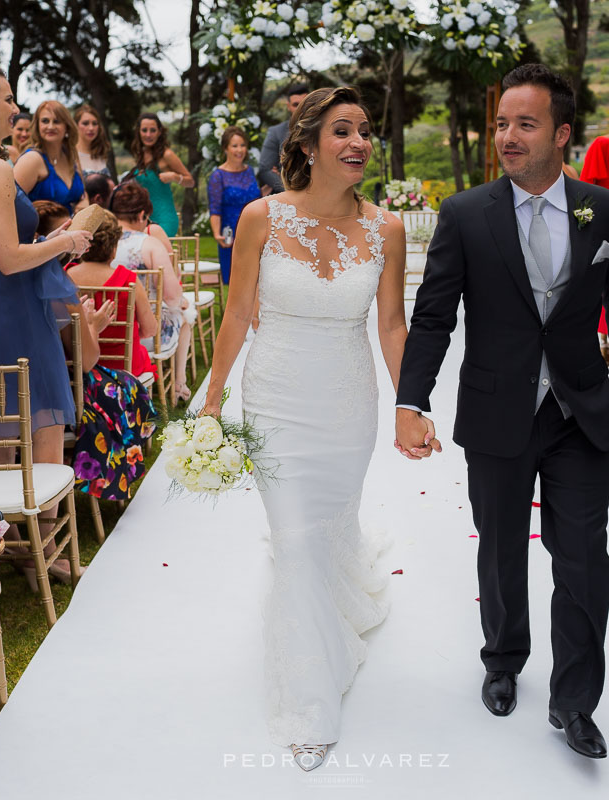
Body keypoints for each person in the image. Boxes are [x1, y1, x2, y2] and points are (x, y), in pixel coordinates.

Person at [396, 63, 609, 761]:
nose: (508, 136)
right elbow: (434, 317)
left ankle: (574, 703)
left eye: (525, 123)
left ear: (562, 134)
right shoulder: (466, 214)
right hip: (497, 409)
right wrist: (412, 400)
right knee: (502, 545)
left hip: (579, 412)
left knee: (584, 559)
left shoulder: (608, 209)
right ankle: (503, 661)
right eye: (502, 123)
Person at [201, 86, 406, 770]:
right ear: (309, 144)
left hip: (349, 406)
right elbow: (235, 316)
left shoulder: (388, 230)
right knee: (294, 538)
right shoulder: (261, 218)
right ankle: (310, 701)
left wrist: (412, 403)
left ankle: (337, 595)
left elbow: (390, 324)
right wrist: (210, 401)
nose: (359, 142)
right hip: (277, 402)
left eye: (366, 131)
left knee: (328, 526)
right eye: (343, 130)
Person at [0, 66, 93, 587]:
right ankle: (42, 555)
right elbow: (8, 257)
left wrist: (57, 237)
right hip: (13, 305)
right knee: (46, 427)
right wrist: (66, 242)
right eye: (7, 99)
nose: (15, 108)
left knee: (1, 434)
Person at [64, 211, 158, 500]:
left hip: (74, 367)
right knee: (146, 360)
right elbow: (150, 329)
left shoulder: (64, 277)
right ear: (114, 247)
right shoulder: (128, 280)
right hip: (123, 368)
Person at [109, 181, 190, 396]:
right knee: (185, 318)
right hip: (145, 333)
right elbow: (172, 299)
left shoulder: (101, 242)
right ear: (142, 214)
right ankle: (179, 384)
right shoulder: (149, 244)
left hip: (106, 330)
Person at [123, 113, 193, 236]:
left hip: (164, 219)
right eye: (144, 130)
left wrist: (174, 177)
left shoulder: (167, 155)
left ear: (160, 132)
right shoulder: (141, 154)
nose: (148, 135)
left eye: (153, 130)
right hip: (144, 219)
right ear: (139, 132)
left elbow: (190, 181)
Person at [207, 126, 261, 284]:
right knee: (236, 282)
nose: (240, 150)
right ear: (225, 149)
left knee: (257, 281)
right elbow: (215, 208)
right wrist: (217, 234)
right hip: (231, 234)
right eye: (235, 146)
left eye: (243, 145)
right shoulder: (218, 176)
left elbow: (256, 197)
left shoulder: (249, 171)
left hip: (254, 232)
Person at [15, 100, 85, 215]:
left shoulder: (71, 156)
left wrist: (84, 201)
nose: (50, 126)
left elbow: (83, 193)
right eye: (45, 121)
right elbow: (10, 204)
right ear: (37, 126)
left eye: (57, 121)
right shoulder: (31, 160)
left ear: (67, 127)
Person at [257, 83, 310, 195]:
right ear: (288, 106)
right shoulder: (276, 132)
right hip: (287, 197)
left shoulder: (323, 130)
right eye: (296, 104)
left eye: (304, 104)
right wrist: (293, 192)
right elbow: (265, 170)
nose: (300, 109)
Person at [74, 104, 113, 178]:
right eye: (85, 123)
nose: (91, 128)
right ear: (76, 125)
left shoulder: (100, 153)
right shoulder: (70, 154)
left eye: (95, 123)